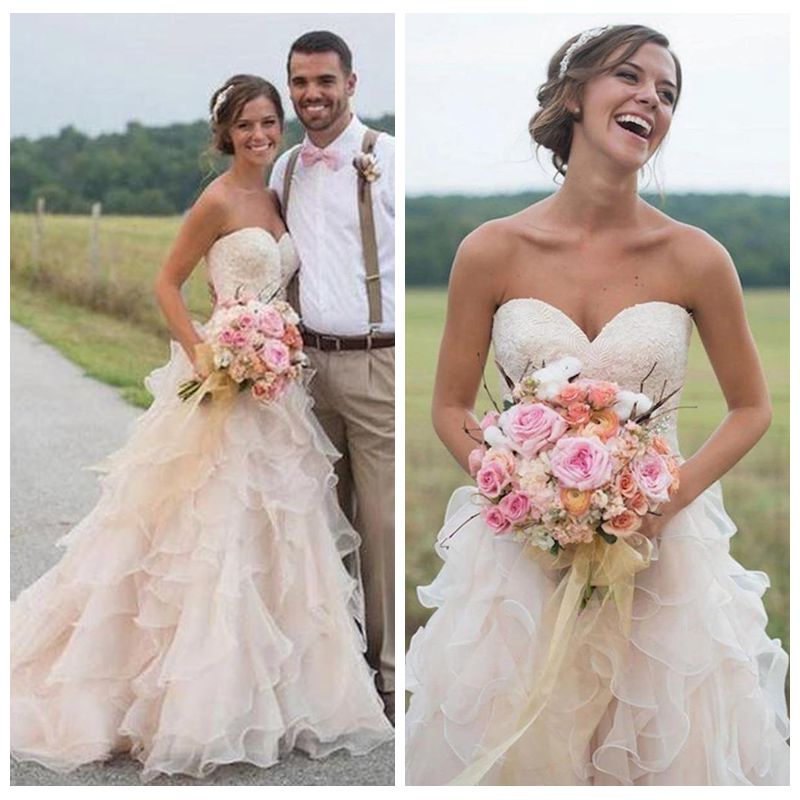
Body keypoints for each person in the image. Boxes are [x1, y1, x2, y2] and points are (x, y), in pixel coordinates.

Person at [405, 25, 789, 785]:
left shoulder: (696, 257)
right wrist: (518, 488)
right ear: (575, 95)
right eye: (630, 76)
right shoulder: (490, 249)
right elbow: (451, 407)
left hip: (661, 555)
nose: (652, 97)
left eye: (669, 92)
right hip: (520, 553)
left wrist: (663, 502)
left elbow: (753, 408)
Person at [11, 74, 393, 782]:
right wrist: (210, 355)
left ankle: (283, 692)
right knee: (209, 532)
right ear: (226, 133)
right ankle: (194, 699)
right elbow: (166, 283)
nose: (259, 135)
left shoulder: (279, 192)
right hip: (223, 383)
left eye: (268, 123)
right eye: (246, 125)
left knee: (280, 531)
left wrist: (269, 350)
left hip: (276, 391)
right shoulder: (217, 199)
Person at [269, 31, 395, 723]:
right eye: (299, 82)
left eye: (324, 80)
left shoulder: (389, 160)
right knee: (318, 522)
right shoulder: (285, 168)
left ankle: (388, 682)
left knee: (377, 526)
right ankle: (334, 673)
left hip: (377, 361)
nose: (311, 94)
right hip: (305, 369)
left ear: (351, 82)